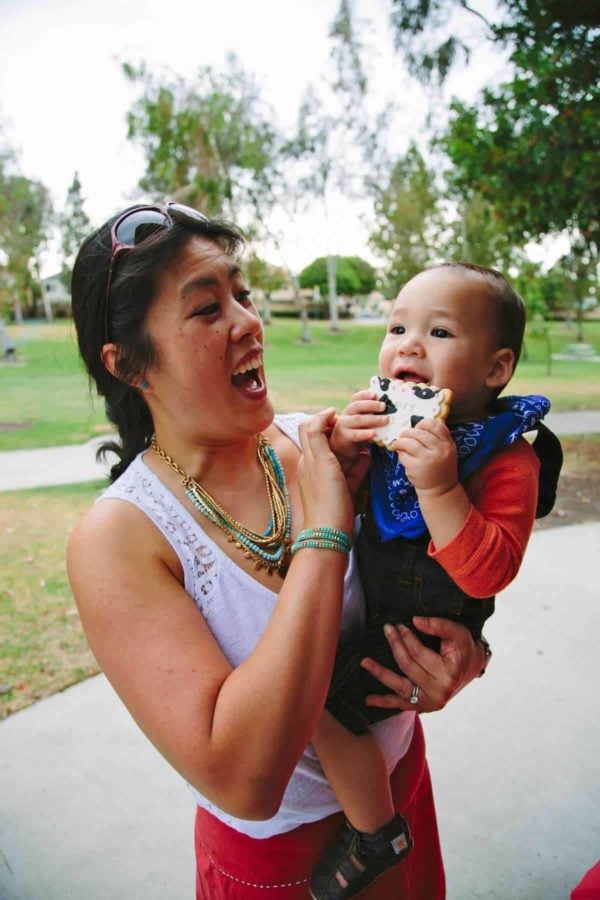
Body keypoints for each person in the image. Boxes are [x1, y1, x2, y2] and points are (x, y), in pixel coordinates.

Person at [67, 203, 492, 900]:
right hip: (284, 867)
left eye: (243, 293)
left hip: (402, 789)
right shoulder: (119, 539)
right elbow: (243, 781)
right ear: (129, 364)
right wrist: (324, 536)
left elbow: (436, 576)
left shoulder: (321, 442)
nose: (246, 321)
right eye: (207, 310)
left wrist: (460, 661)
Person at [306, 263, 561, 899]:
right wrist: (345, 455)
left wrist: (443, 487)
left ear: (495, 370)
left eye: (440, 332)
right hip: (375, 607)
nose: (408, 345)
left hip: (418, 630)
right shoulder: (386, 435)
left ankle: (376, 832)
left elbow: (490, 571)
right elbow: (344, 509)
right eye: (397, 327)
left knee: (318, 705)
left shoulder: (509, 457)